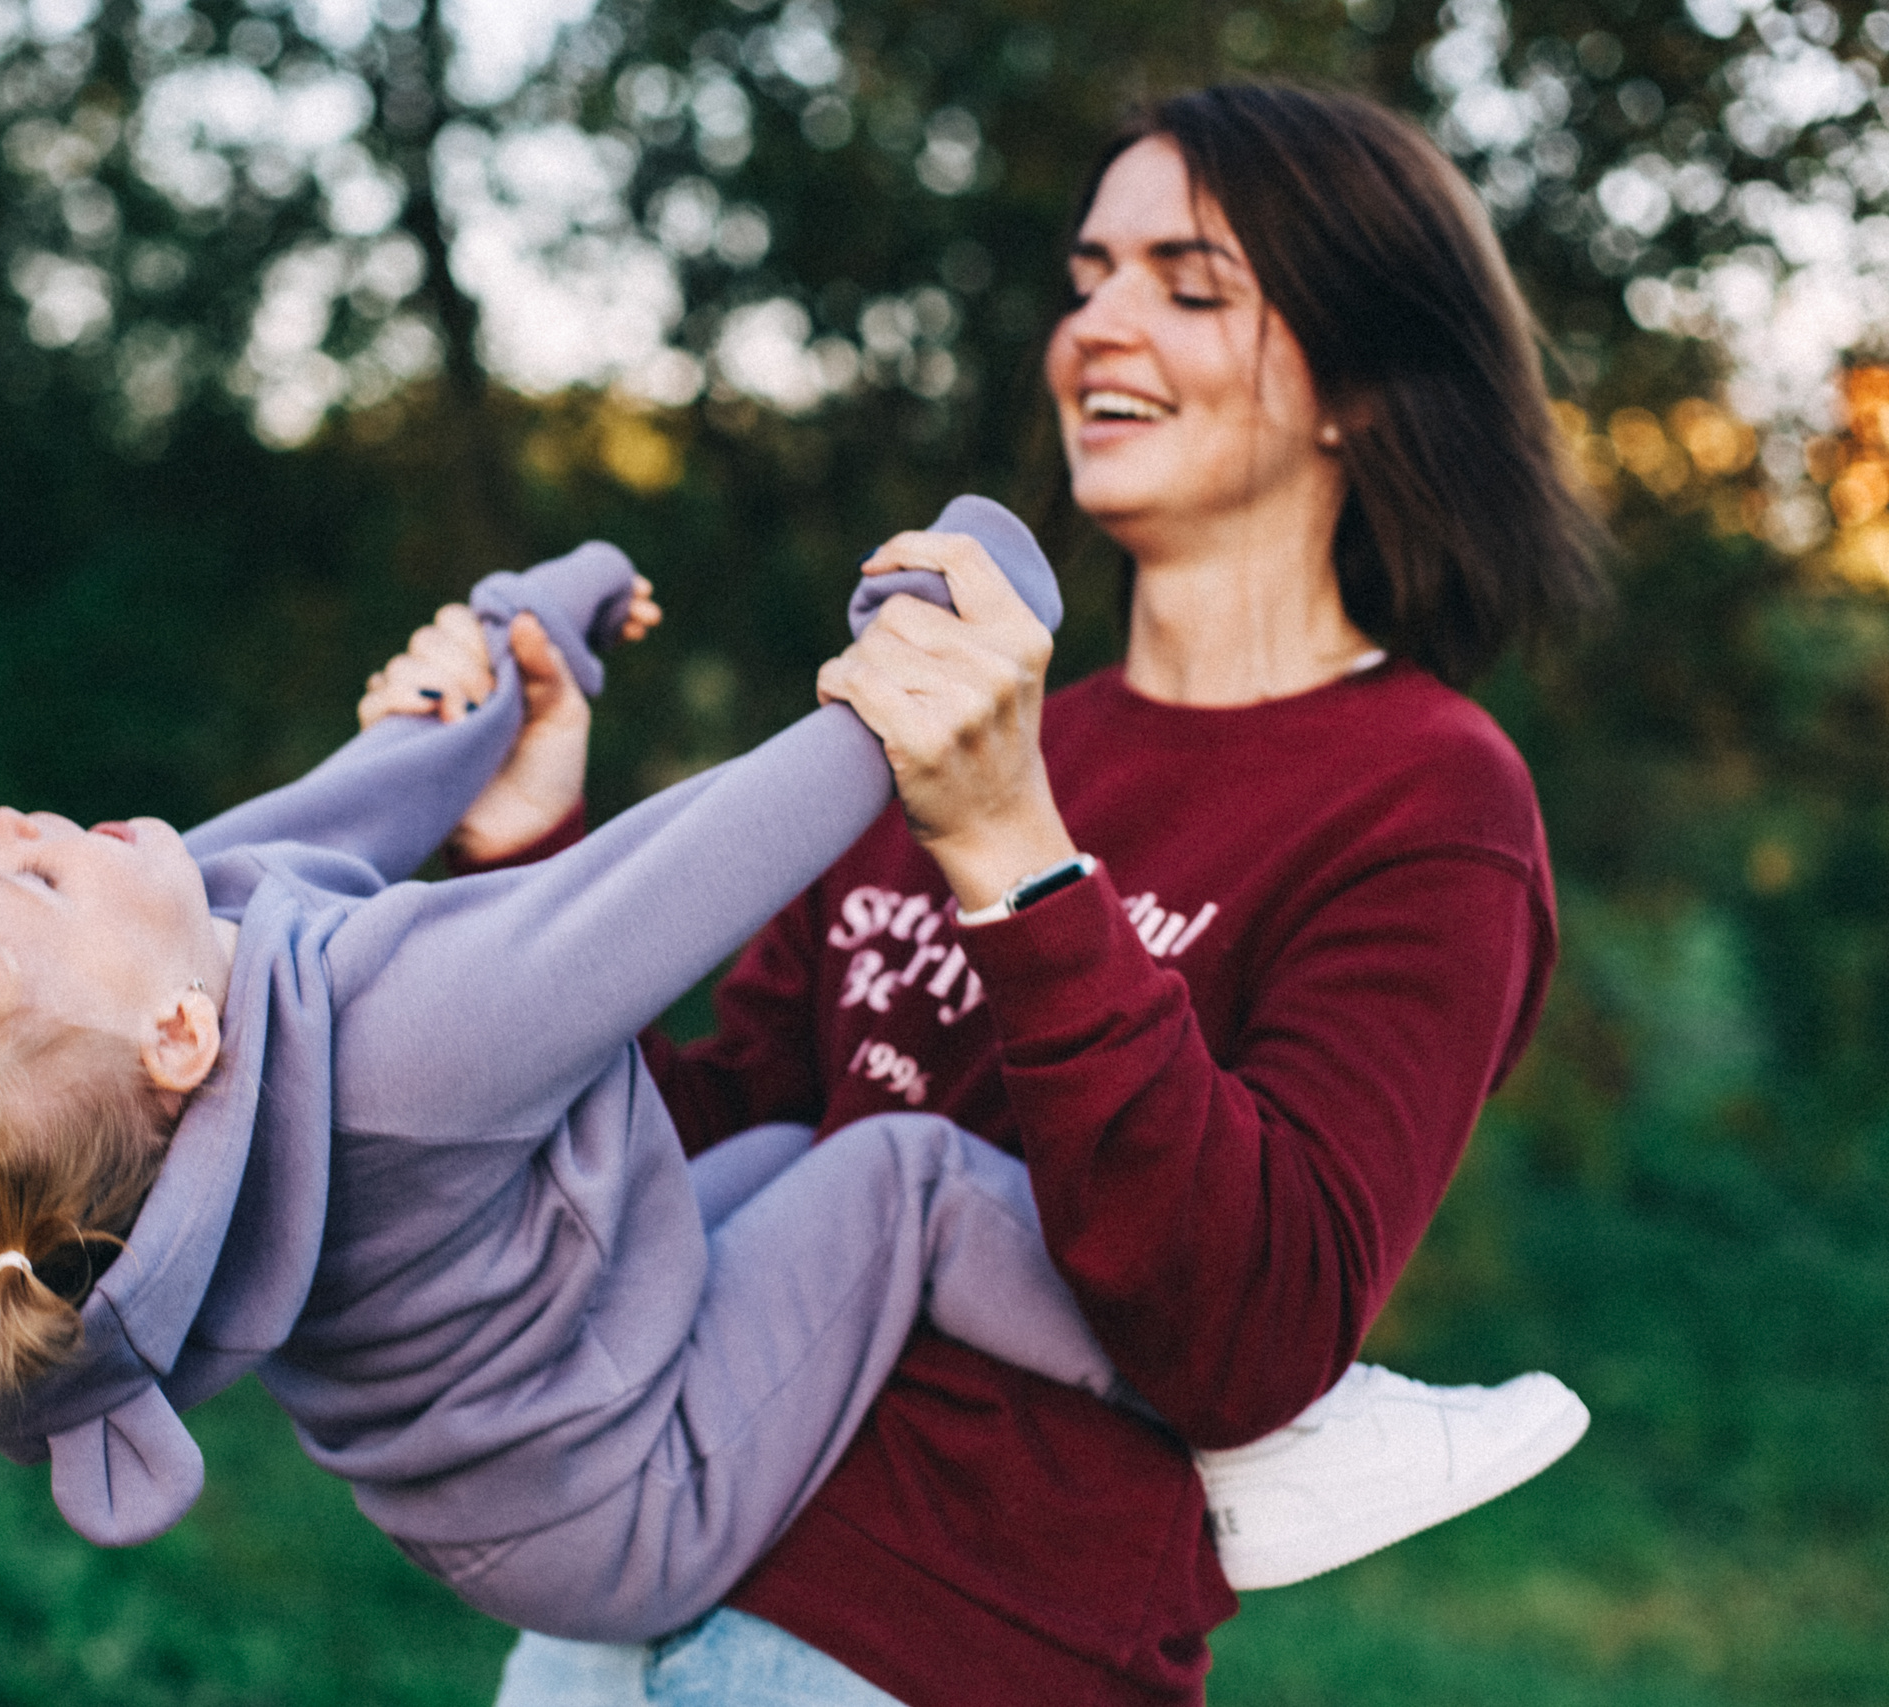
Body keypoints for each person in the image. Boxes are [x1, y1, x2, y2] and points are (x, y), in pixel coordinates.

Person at [370, 83, 1607, 1706]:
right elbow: (681, 1172)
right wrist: (525, 846)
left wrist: (1017, 856)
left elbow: (1251, 1330)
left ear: (1360, 386)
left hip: (954, 1639)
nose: (1097, 325)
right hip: (642, 1559)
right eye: (1089, 274)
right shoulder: (971, 732)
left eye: (1188, 283)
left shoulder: (1429, 799)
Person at [0, 509, 1167, 1637]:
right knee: (898, 1176)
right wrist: (938, 651)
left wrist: (526, 631)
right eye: (21, 886)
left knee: (788, 1153)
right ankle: (1196, 1402)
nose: (4, 821)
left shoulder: (179, 968)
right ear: (173, 1039)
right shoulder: (407, 1047)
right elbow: (691, 867)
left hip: (563, 1380)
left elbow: (371, 791)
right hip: (621, 1500)